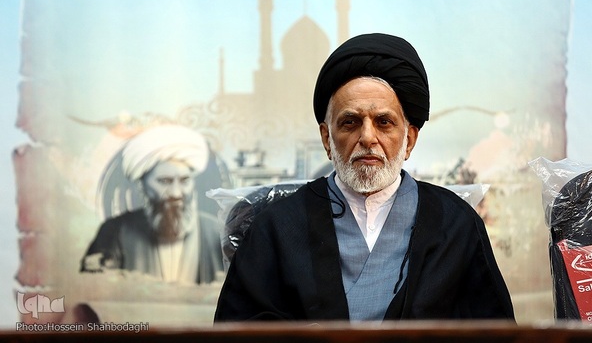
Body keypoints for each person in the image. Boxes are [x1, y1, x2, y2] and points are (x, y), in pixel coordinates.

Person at [213, 33, 514, 321]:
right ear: (327, 139)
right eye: (350, 122)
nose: (367, 137)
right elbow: (238, 336)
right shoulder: (276, 226)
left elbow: (494, 335)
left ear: (409, 139)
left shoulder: (456, 223)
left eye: (384, 122)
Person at [81, 124, 223, 284]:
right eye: (165, 181)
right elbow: (95, 289)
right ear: (142, 186)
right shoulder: (115, 232)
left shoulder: (218, 232)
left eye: (184, 181)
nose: (176, 193)